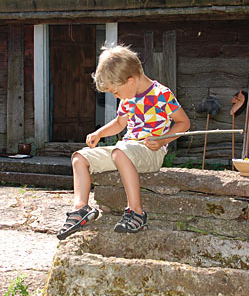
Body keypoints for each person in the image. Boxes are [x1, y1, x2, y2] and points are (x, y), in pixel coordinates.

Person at [57, 45, 190, 240]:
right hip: (125, 152)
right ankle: (80, 208)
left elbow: (184, 122)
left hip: (150, 152)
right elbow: (120, 123)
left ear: (131, 80)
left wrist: (163, 141)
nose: (115, 97)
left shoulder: (162, 94)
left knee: (120, 151)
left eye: (116, 92)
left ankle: (136, 212)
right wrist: (99, 133)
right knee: (79, 157)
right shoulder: (129, 97)